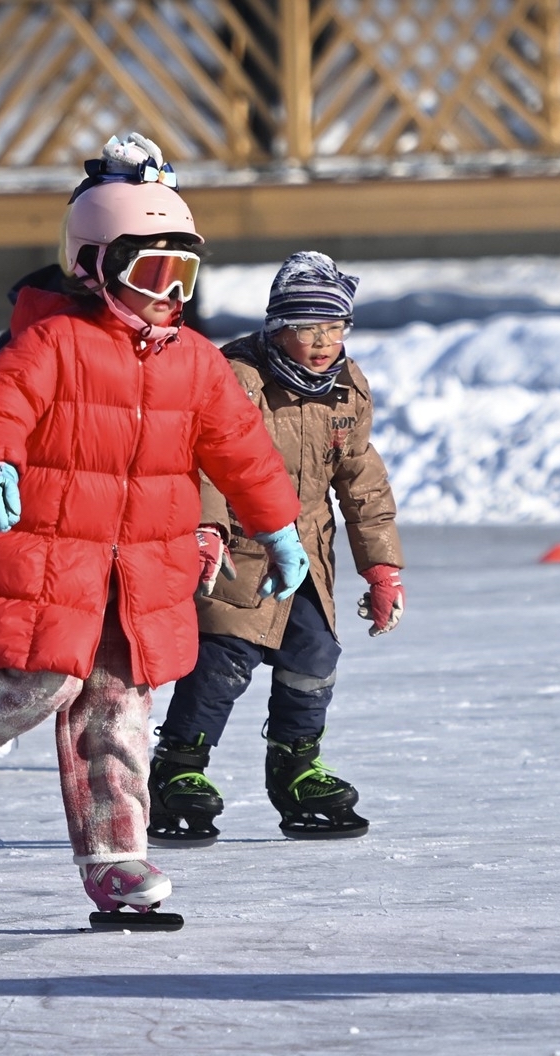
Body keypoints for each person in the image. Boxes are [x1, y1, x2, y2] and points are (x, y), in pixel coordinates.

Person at [0, 134, 307, 921]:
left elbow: (244, 452)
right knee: (36, 684)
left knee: (118, 715)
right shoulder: (52, 342)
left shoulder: (195, 362)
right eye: (152, 273)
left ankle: (117, 859)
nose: (169, 293)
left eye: (184, 274)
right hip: (50, 561)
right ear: (93, 266)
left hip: (141, 577)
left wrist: (278, 528)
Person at [149, 251, 404, 845]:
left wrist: (382, 567)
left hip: (307, 553)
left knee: (314, 655)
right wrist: (207, 528)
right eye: (307, 328)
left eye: (334, 327)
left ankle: (296, 766)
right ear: (277, 327)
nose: (323, 342)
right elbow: (202, 461)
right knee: (223, 659)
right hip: (239, 549)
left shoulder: (347, 388)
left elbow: (362, 482)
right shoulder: (237, 377)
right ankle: (178, 767)